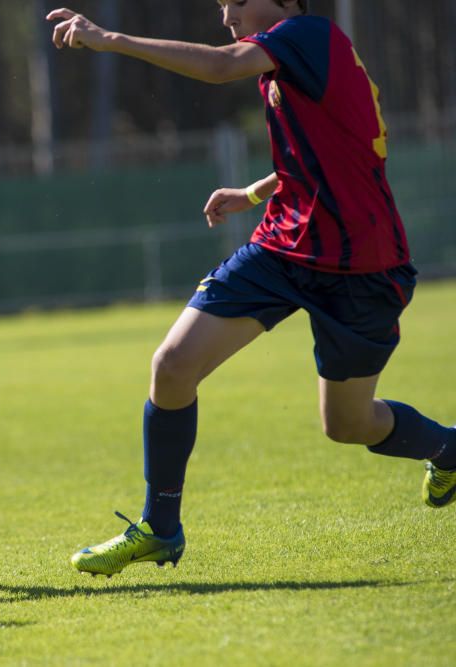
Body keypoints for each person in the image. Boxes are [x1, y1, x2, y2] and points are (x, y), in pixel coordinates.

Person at [47, 0, 455, 577]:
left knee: (348, 424)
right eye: (221, 6)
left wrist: (108, 37)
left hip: (361, 263)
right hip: (282, 247)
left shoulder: (306, 34)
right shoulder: (294, 54)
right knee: (172, 365)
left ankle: (448, 448)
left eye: (237, 2)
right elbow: (336, 141)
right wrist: (256, 193)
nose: (228, 17)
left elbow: (218, 67)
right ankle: (161, 528)